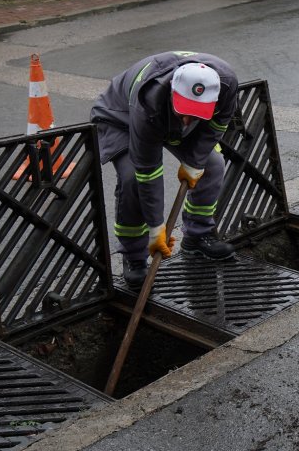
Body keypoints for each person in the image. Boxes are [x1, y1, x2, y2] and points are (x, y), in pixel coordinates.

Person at [91, 51, 240, 289]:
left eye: (195, 114)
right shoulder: (149, 99)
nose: (187, 122)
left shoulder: (226, 83)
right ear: (173, 90)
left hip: (165, 117)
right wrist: (156, 228)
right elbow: (148, 171)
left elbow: (215, 126)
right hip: (121, 116)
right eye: (185, 112)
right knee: (131, 179)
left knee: (212, 165)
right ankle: (134, 257)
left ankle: (197, 235)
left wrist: (195, 162)